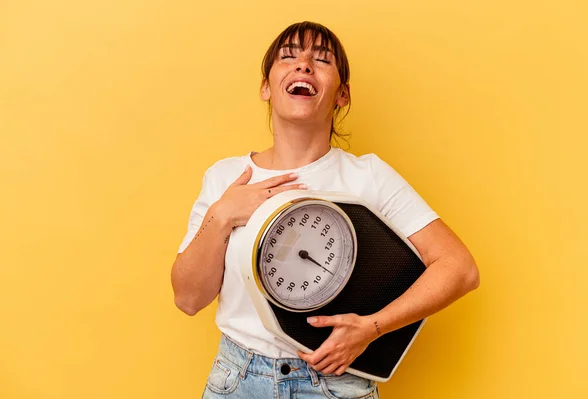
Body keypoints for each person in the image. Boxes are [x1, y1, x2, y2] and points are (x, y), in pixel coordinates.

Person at [171, 21, 480, 399]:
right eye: (288, 57)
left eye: (321, 60)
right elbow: (188, 299)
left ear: (341, 95)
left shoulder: (368, 177)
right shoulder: (226, 177)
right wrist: (221, 216)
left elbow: (460, 269)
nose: (303, 65)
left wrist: (373, 327)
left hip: (336, 384)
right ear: (266, 87)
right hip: (237, 381)